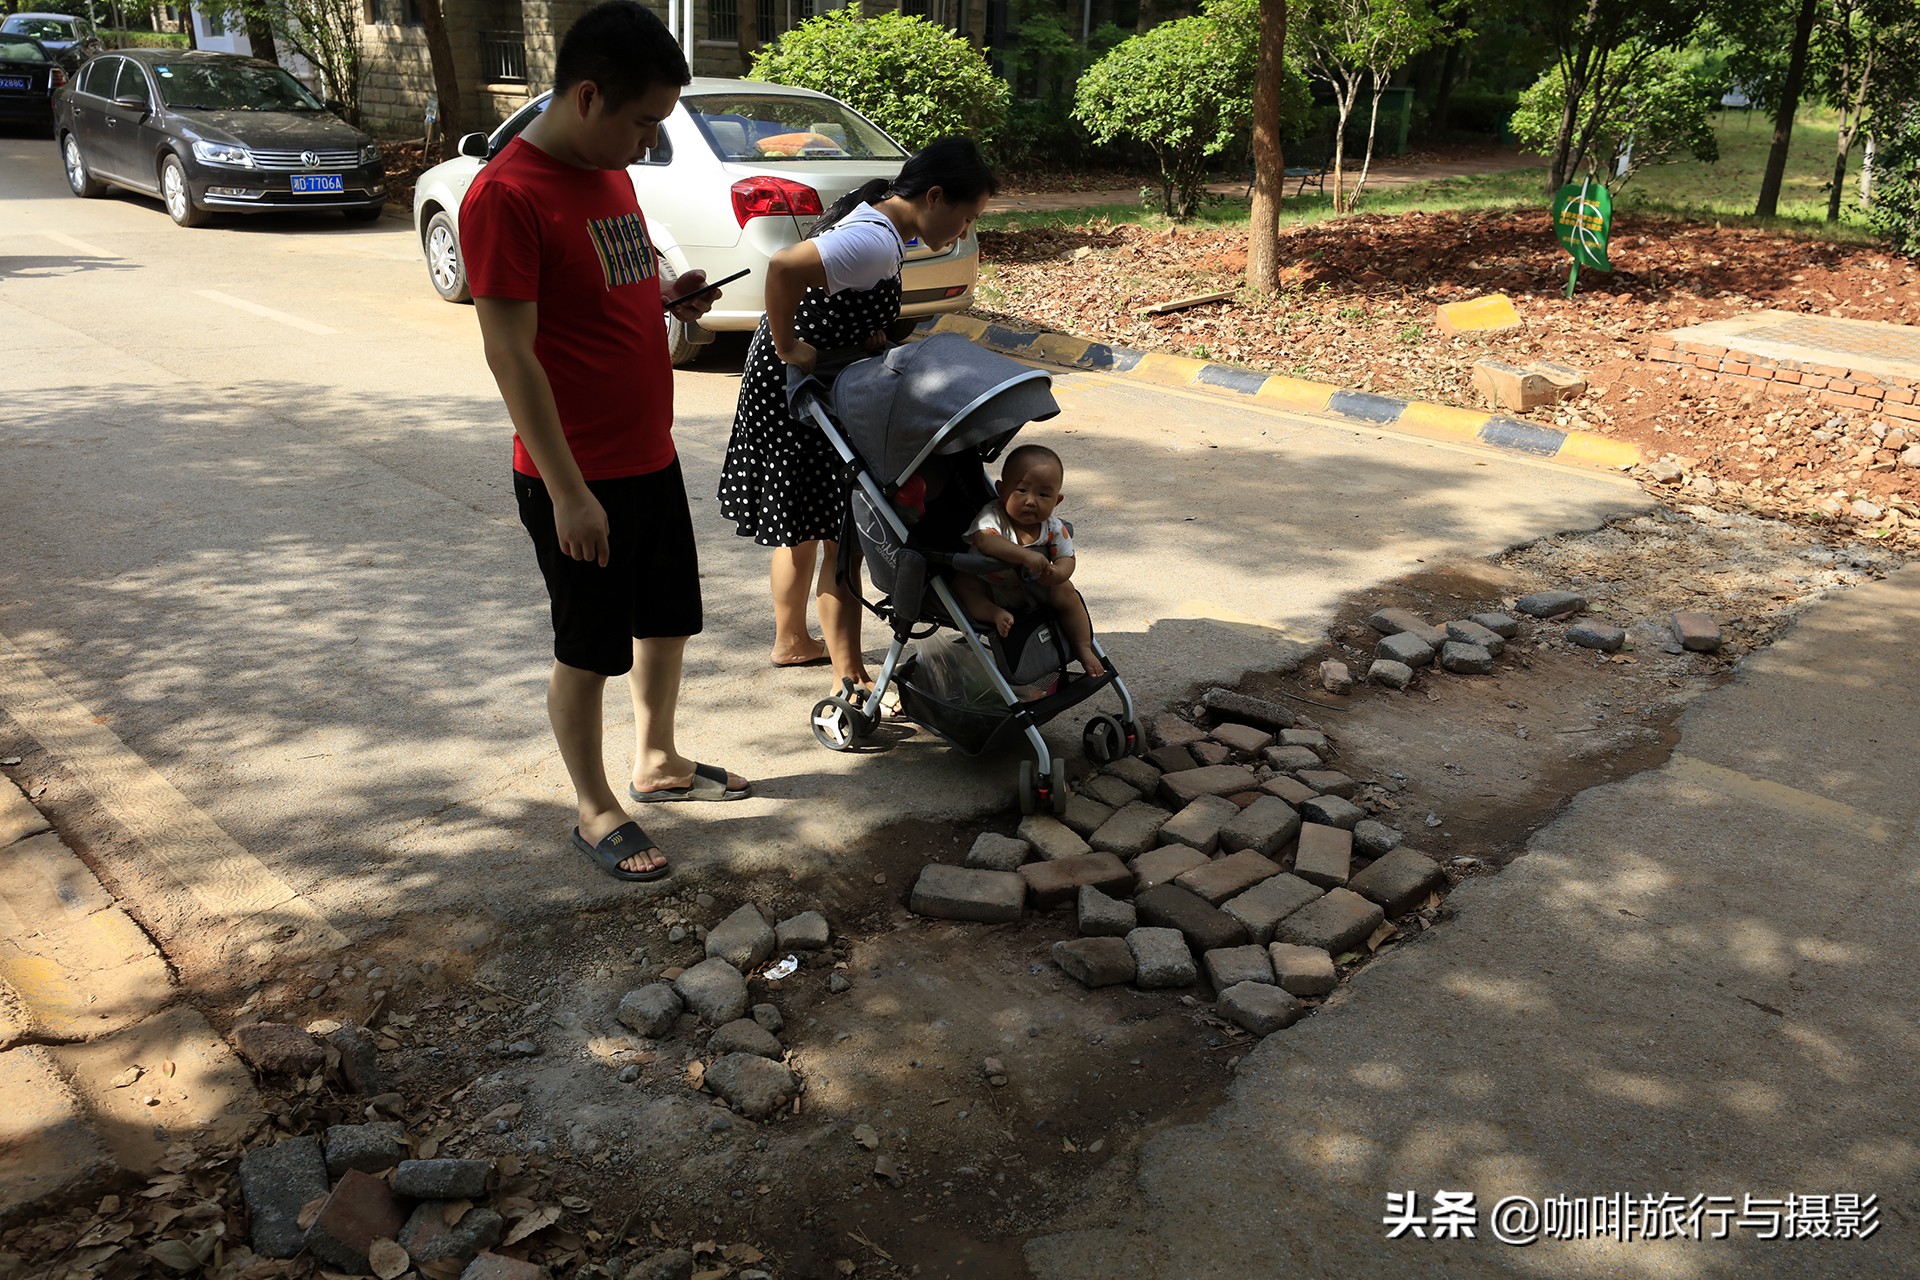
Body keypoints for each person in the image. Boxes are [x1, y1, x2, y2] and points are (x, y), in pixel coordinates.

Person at [462, 0, 748, 884]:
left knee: (666, 619)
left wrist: (667, 298)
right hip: (577, 474)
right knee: (588, 646)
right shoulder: (507, 195)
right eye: (643, 122)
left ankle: (657, 760)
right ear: (588, 96)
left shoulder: (609, 171)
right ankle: (593, 809)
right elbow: (510, 353)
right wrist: (568, 492)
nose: (648, 142)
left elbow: (604, 287)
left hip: (649, 451)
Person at [719, 137, 999, 696]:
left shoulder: (878, 223)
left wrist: (859, 334)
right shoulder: (874, 239)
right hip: (799, 386)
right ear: (934, 196)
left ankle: (792, 639)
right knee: (837, 536)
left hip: (790, 384)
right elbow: (784, 266)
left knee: (800, 523)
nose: (965, 231)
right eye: (967, 217)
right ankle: (850, 677)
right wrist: (788, 344)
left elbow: (832, 294)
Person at [953, 444, 1106, 679]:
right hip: (993, 588)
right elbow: (985, 541)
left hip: (1036, 587)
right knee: (964, 584)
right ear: (1001, 490)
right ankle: (994, 613)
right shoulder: (993, 516)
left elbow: (1067, 557)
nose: (1031, 501)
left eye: (1043, 495)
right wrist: (1025, 555)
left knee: (1067, 591)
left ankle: (1083, 647)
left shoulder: (1053, 527)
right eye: (1022, 490)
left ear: (1057, 501)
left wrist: (1058, 573)